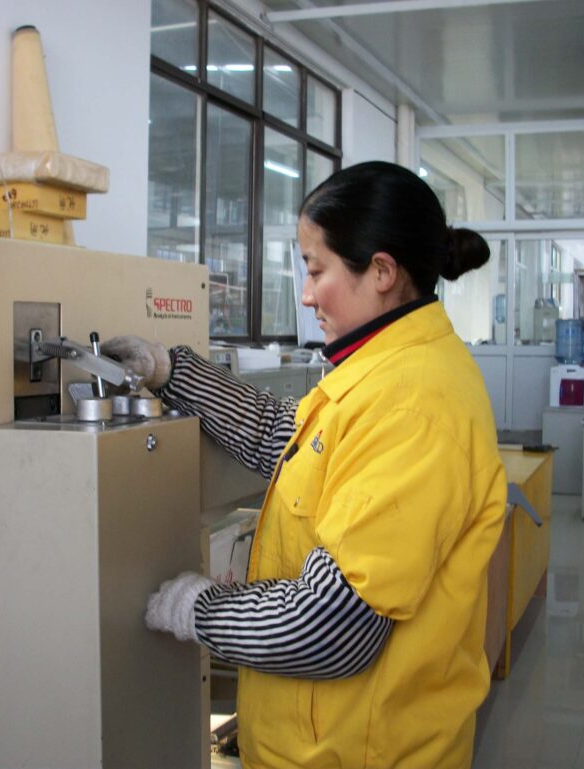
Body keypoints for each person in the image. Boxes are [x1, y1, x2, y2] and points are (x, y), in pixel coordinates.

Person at [102, 160, 507, 769]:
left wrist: (199, 607)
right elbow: (282, 438)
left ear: (381, 272)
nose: (306, 293)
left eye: (317, 269)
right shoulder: (379, 372)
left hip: (364, 753)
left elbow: (331, 625)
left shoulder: (413, 404)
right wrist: (173, 371)